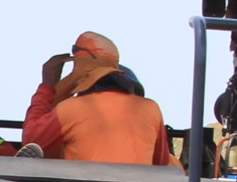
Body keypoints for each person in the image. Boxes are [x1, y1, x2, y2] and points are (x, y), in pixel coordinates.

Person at [20, 32, 176, 166]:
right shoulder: (150, 108)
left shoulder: (72, 108)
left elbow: (31, 140)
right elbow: (160, 162)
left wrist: (47, 85)